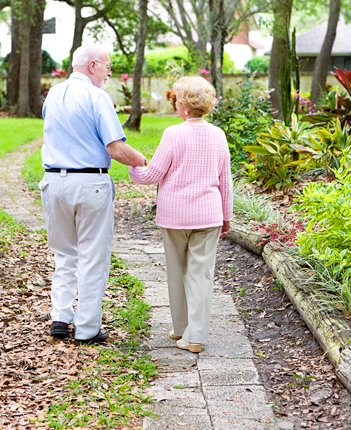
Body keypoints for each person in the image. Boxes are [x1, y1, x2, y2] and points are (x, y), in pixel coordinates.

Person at [39, 44, 147, 344]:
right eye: (107, 66)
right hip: (89, 185)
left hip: (53, 183)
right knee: (92, 258)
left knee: (64, 253)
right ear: (93, 65)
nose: (109, 72)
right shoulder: (97, 97)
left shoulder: (53, 95)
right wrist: (143, 160)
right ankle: (87, 328)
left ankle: (60, 317)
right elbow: (115, 148)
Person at [129, 76, 233, 353]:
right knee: (201, 274)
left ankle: (181, 328)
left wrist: (134, 166)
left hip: (174, 215)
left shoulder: (173, 134)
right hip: (209, 215)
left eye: (177, 99)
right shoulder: (218, 135)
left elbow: (152, 174)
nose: (175, 104)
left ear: (184, 105)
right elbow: (226, 180)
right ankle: (193, 334)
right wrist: (227, 215)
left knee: (177, 270)